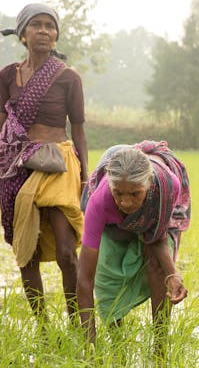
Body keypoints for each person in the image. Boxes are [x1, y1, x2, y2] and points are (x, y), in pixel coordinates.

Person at [0, 4, 88, 324]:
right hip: (17, 168)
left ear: (56, 35)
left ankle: (78, 322)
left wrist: (85, 176)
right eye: (36, 25)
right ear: (23, 34)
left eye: (50, 26)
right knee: (27, 251)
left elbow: (78, 128)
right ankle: (44, 328)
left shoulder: (68, 78)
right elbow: (1, 127)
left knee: (67, 251)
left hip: (58, 164)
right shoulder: (8, 75)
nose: (44, 31)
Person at [76, 142, 191, 352]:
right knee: (107, 273)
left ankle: (159, 347)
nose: (126, 202)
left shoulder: (166, 187)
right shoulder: (100, 201)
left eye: (135, 194)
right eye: (118, 193)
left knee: (158, 267)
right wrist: (89, 348)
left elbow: (157, 238)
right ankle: (118, 342)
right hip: (113, 220)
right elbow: (85, 279)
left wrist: (172, 274)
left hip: (158, 204)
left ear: (148, 184)